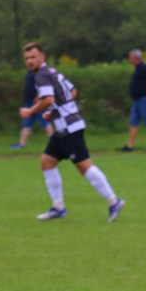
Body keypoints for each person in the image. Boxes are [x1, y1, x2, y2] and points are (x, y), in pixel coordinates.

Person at [20, 42, 125, 222]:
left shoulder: (42, 76)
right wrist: (56, 112)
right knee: (47, 162)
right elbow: (71, 91)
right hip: (63, 128)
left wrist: (30, 111)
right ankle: (58, 208)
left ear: (42, 58)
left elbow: (49, 99)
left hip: (70, 129)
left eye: (33, 57)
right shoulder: (52, 72)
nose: (30, 61)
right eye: (27, 58)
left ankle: (114, 201)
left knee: (85, 168)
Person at [119, 49, 146, 152]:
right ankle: (130, 146)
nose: (129, 59)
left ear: (135, 58)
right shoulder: (137, 68)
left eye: (130, 57)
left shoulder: (143, 67)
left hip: (144, 100)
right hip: (137, 100)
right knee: (133, 122)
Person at [10, 69, 53, 149]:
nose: (29, 61)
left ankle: (54, 143)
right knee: (26, 123)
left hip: (37, 103)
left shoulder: (38, 72)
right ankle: (22, 144)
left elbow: (43, 85)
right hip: (28, 102)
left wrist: (39, 97)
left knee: (45, 123)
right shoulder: (31, 72)